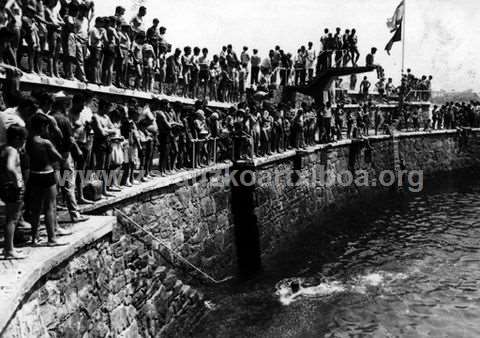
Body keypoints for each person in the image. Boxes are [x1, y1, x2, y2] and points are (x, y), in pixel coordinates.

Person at [27, 113, 67, 246]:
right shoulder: (45, 142)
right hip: (47, 173)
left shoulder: (28, 141)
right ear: (43, 126)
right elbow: (59, 157)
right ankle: (52, 238)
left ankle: (34, 237)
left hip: (33, 174)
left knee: (36, 208)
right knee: (50, 206)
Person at [0, 124, 28, 258]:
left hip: (5, 186)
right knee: (12, 219)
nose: (24, 143)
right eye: (23, 139)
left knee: (10, 218)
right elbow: (10, 167)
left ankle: (9, 247)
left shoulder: (3, 148)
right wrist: (18, 182)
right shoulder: (13, 151)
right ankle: (9, 250)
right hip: (13, 187)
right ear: (17, 138)